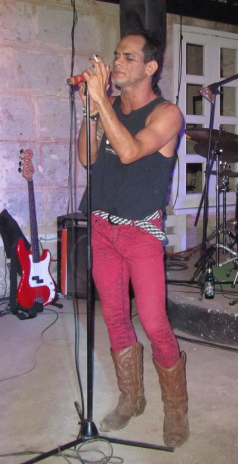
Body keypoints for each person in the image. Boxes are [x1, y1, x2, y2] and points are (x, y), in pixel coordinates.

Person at [76, 29, 188, 447]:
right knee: (114, 316)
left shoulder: (167, 114)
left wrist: (101, 101)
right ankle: (131, 398)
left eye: (128, 57)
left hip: (140, 231)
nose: (117, 62)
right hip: (102, 226)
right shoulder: (109, 108)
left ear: (150, 67)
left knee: (155, 323)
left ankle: (176, 408)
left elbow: (129, 151)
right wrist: (92, 110)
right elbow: (86, 157)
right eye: (116, 55)